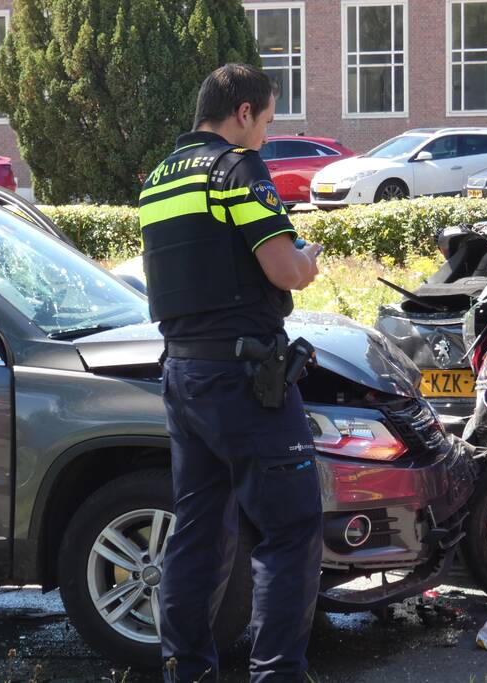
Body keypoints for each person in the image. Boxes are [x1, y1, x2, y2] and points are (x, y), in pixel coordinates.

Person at [139, 63, 324, 682]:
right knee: (292, 527)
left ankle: (185, 671)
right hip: (248, 378)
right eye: (266, 121)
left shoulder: (158, 181)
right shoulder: (235, 167)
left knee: (196, 532)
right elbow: (282, 269)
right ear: (242, 112)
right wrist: (308, 262)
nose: (266, 137)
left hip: (183, 378)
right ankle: (278, 675)